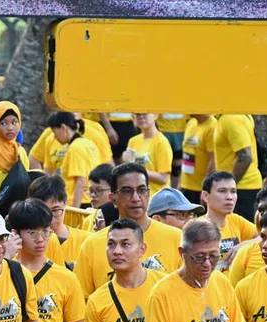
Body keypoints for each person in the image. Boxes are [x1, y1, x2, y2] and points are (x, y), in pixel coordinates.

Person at [74, 163, 182, 298]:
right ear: (113, 199)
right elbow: (80, 303)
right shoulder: (92, 245)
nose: (136, 198)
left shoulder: (176, 239)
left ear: (149, 194)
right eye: (127, 191)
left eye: (142, 190)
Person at [200, 171, 258, 266]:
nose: (229, 197)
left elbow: (263, 237)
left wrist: (243, 245)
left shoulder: (236, 220)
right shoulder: (196, 228)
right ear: (206, 196)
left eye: (233, 191)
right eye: (222, 191)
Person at [213, 114, 263, 220]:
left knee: (240, 234)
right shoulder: (229, 117)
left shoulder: (231, 118)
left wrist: (227, 186)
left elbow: (245, 157)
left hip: (242, 189)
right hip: (240, 188)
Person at [45, 112, 99, 207]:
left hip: (79, 202)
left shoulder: (75, 148)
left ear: (63, 127)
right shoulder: (89, 144)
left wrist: (75, 209)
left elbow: (80, 181)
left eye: (55, 132)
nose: (55, 137)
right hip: (90, 199)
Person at [123, 113, 173, 196]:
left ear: (156, 115)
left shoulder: (161, 142)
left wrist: (135, 168)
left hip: (156, 197)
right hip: (137, 196)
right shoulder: (133, 141)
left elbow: (163, 178)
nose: (141, 117)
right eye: (138, 114)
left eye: (145, 113)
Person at [180, 115, 218, 204]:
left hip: (199, 189)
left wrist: (206, 188)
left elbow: (214, 160)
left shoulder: (212, 127)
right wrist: (180, 183)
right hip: (186, 186)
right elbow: (186, 153)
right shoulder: (191, 123)